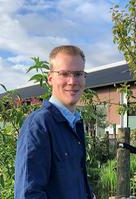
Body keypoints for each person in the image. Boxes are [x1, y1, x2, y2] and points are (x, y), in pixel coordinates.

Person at [14, 45, 94, 199]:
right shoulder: (39, 125)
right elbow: (28, 194)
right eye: (64, 74)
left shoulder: (75, 123)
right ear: (50, 78)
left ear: (84, 78)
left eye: (78, 74)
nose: (72, 81)